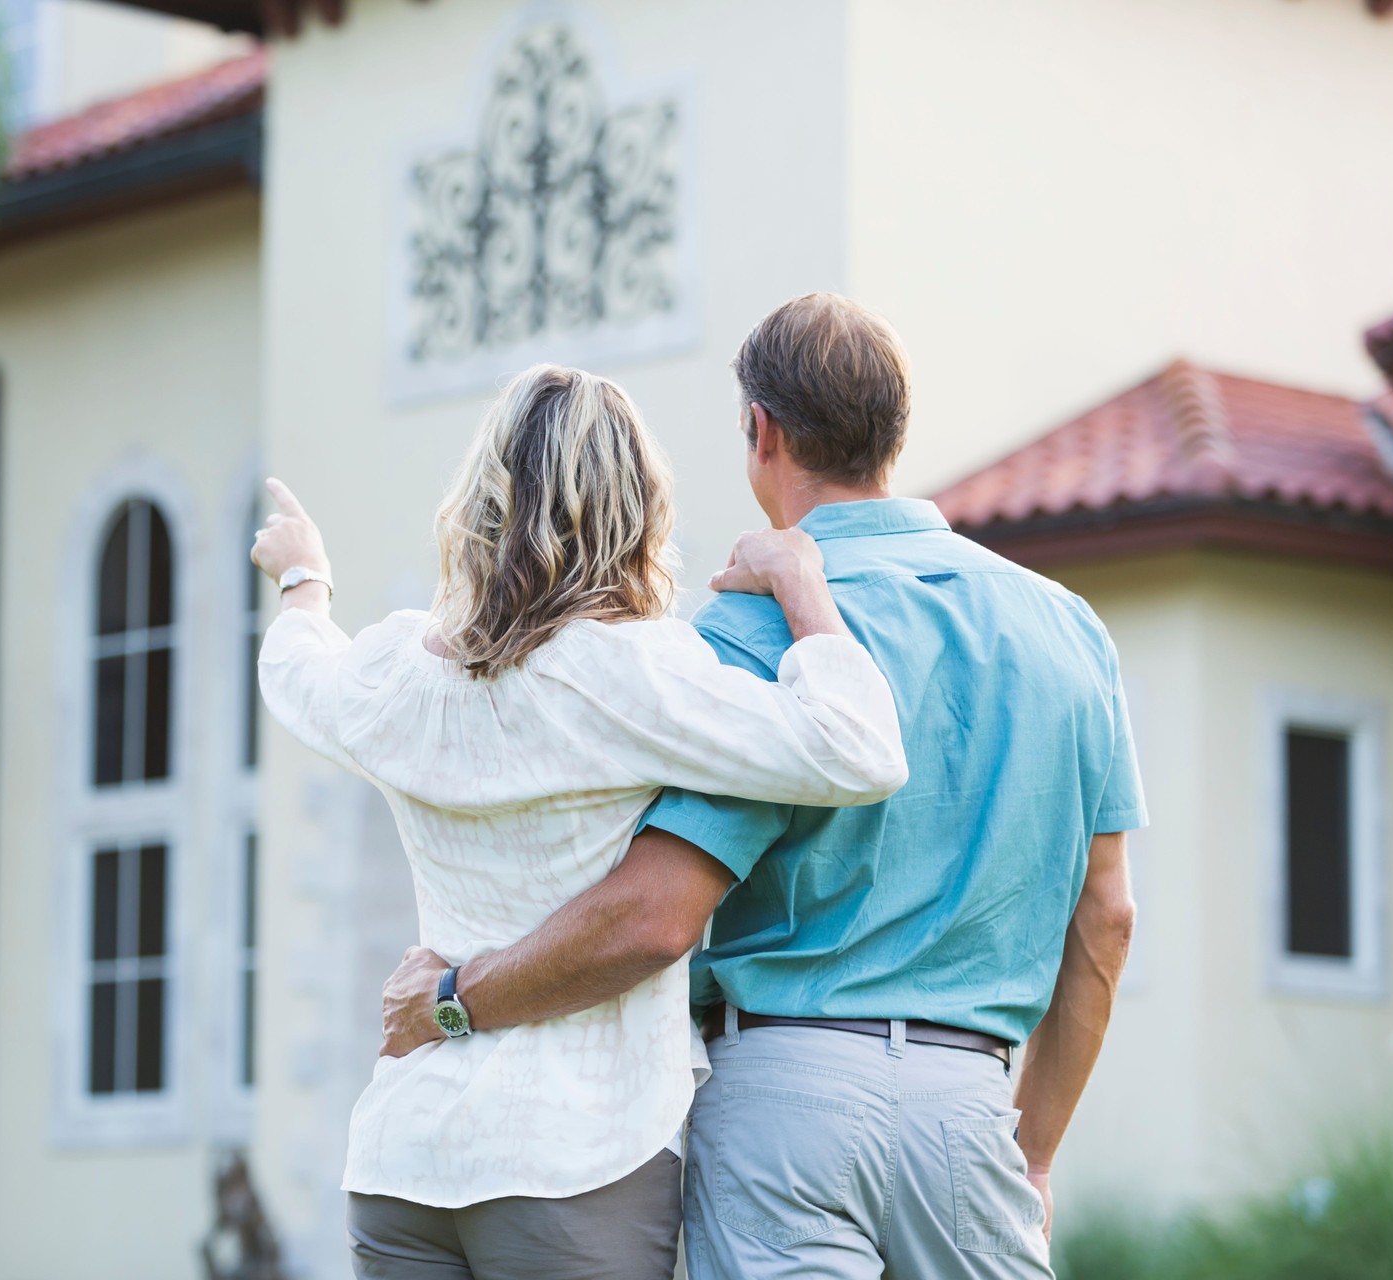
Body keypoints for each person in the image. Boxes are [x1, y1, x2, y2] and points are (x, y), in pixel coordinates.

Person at [381, 295, 1146, 1279]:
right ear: (893, 432)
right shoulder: (1069, 629)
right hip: (973, 1105)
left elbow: (656, 913)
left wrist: (454, 994)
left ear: (763, 431)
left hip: (784, 1098)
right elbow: (1109, 916)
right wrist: (1031, 1150)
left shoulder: (747, 629)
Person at [251, 362, 910, 1280]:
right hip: (578, 1160)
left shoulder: (400, 672)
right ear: (635, 505)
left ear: (485, 497)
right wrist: (802, 585)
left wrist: (303, 579)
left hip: (406, 1158)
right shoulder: (631, 671)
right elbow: (862, 748)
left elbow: (299, 676)